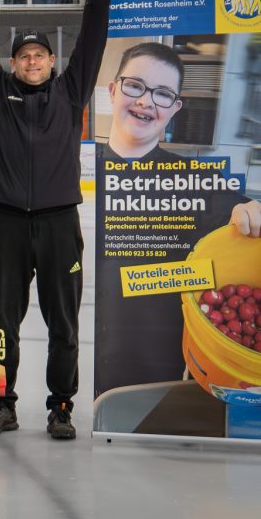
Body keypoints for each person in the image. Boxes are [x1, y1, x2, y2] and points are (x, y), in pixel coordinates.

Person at [0, 0, 111, 440]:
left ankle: (62, 406)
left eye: (39, 55)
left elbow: (92, 38)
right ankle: (2, 402)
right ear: (13, 63)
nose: (31, 62)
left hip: (59, 225)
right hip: (5, 223)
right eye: (23, 55)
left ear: (52, 60)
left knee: (64, 325)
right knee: (2, 326)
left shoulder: (71, 93)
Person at [96, 42, 261, 393]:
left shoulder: (194, 181)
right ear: (113, 91)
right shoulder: (77, 170)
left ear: (175, 109)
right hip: (75, 372)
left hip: (152, 383)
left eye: (162, 94)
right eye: (135, 86)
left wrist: (250, 210)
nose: (146, 101)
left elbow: (238, 210)